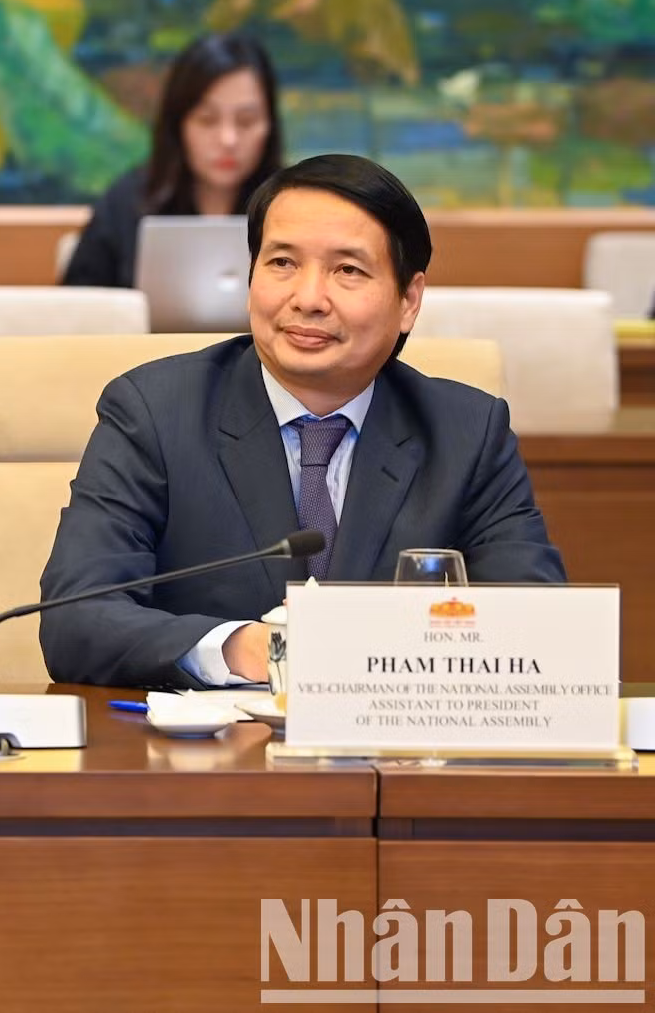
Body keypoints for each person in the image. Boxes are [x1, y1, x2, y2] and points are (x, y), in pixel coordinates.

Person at [38, 154, 565, 690]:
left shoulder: (467, 434)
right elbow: (76, 619)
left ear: (409, 300)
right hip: (210, 741)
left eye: (348, 270)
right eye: (283, 263)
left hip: (397, 735)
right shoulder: (154, 413)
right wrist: (243, 647)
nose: (308, 299)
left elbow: (540, 630)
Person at [61, 32, 283, 288]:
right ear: (178, 124)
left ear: (270, 125)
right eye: (207, 120)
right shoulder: (127, 201)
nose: (228, 139)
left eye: (246, 121)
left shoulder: (294, 204)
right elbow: (80, 301)